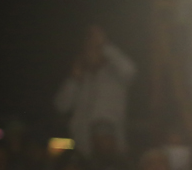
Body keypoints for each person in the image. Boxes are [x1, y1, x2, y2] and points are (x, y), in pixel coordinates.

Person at [54, 26, 137, 155]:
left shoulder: (116, 75)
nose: (92, 52)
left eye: (97, 48)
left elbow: (130, 71)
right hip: (83, 151)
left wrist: (104, 45)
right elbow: (61, 106)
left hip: (114, 151)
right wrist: (74, 80)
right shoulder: (78, 80)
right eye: (89, 48)